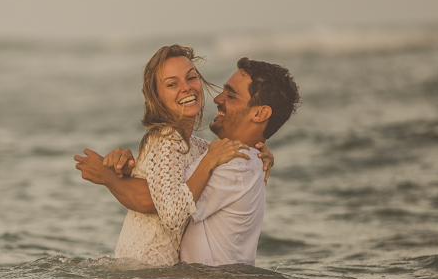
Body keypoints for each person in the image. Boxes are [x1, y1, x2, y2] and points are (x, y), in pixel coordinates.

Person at [76, 56, 299, 267]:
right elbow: (168, 178)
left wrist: (107, 176)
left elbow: (155, 201)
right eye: (172, 84)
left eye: (231, 96)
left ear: (260, 114)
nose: (217, 99)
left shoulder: (234, 166)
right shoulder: (230, 157)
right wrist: (127, 169)